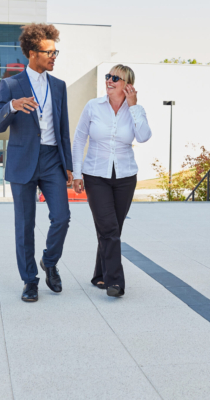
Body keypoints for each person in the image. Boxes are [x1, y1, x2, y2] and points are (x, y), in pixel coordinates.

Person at [0, 23, 72, 303]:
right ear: (32, 53)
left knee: (62, 217)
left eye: (55, 51)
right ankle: (29, 281)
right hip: (23, 159)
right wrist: (12, 106)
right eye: (48, 52)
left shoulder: (59, 86)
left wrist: (69, 166)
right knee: (24, 225)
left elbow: (63, 129)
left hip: (52, 159)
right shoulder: (11, 84)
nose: (53, 57)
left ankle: (49, 262)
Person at [72, 65, 151, 297]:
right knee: (108, 228)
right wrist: (77, 174)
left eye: (115, 78)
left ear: (128, 85)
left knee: (112, 229)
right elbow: (78, 140)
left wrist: (134, 106)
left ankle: (99, 274)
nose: (109, 80)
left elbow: (144, 136)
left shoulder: (135, 110)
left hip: (125, 177)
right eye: (108, 76)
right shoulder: (93, 106)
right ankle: (115, 282)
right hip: (96, 175)